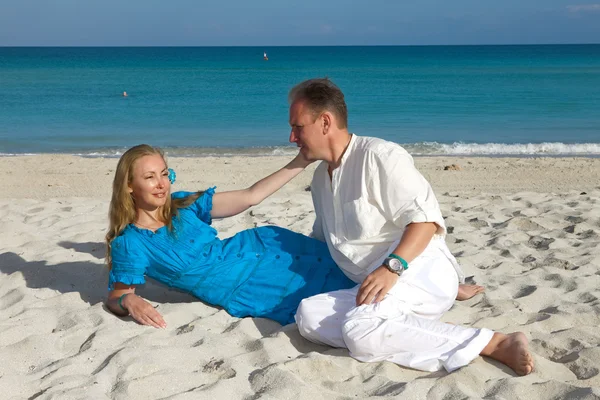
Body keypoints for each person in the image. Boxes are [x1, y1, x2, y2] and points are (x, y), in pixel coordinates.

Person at [289, 78, 534, 375]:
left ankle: (494, 342)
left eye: (298, 126)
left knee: (359, 331)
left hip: (412, 268)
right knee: (309, 316)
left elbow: (426, 221)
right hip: (377, 289)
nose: (292, 137)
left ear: (325, 122)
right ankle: (425, 331)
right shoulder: (319, 181)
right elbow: (323, 240)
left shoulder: (379, 156)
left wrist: (392, 268)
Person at [105, 144, 357, 327]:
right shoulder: (131, 242)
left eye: (164, 173)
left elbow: (251, 196)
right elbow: (116, 296)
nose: (161, 184)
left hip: (265, 247)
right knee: (342, 302)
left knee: (355, 269)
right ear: (129, 186)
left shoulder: (183, 204)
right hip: (247, 286)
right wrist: (129, 301)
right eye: (149, 177)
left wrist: (302, 160)